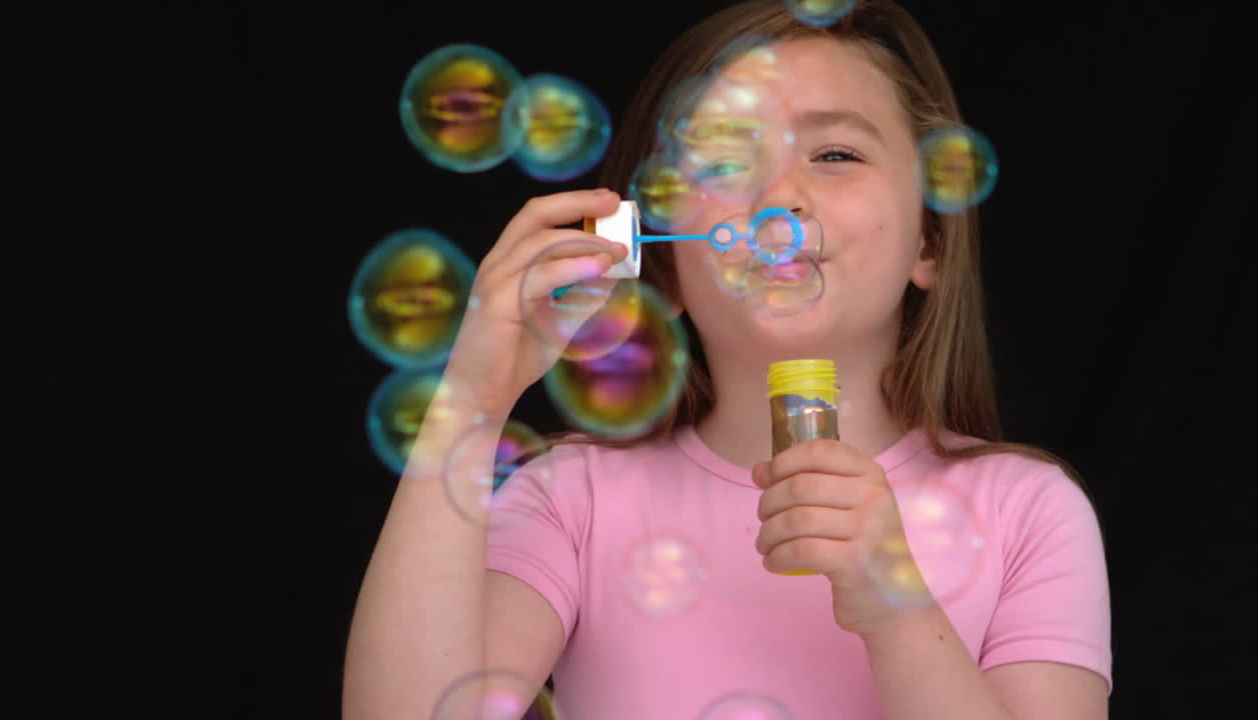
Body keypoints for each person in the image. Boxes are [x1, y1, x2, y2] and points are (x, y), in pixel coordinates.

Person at [343, 1, 1112, 718]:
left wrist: (897, 609)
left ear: (929, 240)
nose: (779, 195)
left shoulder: (1028, 513)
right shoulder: (571, 498)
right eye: (719, 165)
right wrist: (474, 399)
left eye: (836, 152)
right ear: (662, 261)